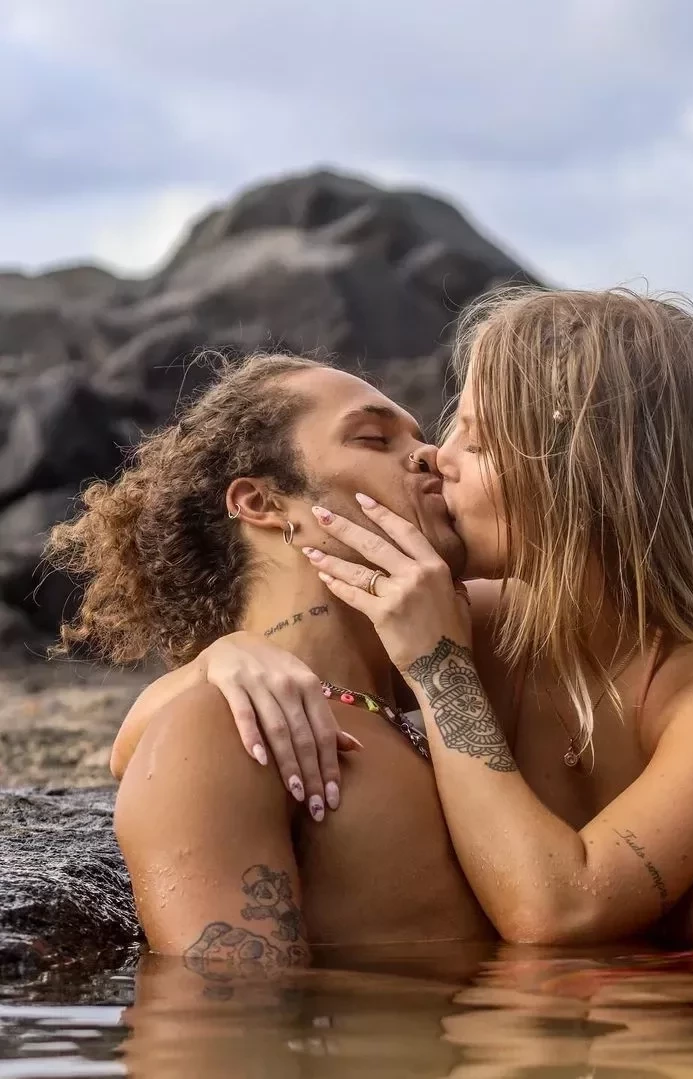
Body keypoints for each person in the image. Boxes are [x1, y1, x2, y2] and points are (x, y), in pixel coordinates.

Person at [113, 290, 693, 955]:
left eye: (477, 438)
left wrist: (440, 668)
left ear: (581, 473)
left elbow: (559, 908)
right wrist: (230, 656)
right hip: (587, 998)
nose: (438, 457)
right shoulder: (474, 618)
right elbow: (165, 738)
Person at [45, 354, 493, 994]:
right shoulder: (227, 729)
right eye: (374, 438)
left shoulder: (429, 695)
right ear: (261, 502)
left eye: (422, 437)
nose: (431, 457)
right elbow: (222, 1025)